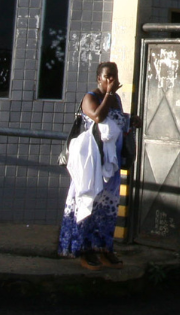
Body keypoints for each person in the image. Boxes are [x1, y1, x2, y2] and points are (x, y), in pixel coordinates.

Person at [58, 61, 131, 270]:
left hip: (110, 162)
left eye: (114, 76)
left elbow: (115, 122)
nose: (111, 80)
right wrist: (107, 94)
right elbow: (98, 116)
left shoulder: (116, 99)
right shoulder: (91, 97)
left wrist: (131, 120)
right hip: (91, 163)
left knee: (107, 206)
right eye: (107, 76)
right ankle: (84, 250)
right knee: (88, 204)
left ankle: (104, 249)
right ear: (99, 78)